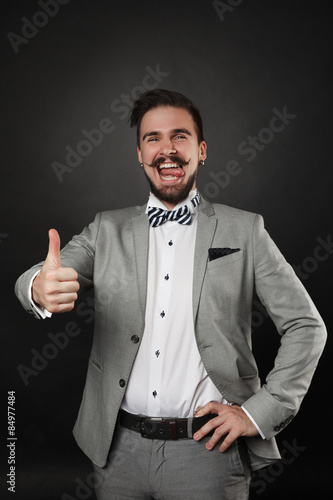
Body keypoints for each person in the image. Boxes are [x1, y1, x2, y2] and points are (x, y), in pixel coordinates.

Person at [15, 89, 326, 500]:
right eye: (153, 138)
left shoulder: (245, 230)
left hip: (210, 454)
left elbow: (306, 325)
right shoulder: (105, 230)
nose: (167, 149)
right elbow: (42, 275)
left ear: (201, 149)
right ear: (140, 155)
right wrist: (39, 286)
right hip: (117, 452)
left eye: (180, 137)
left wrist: (257, 412)